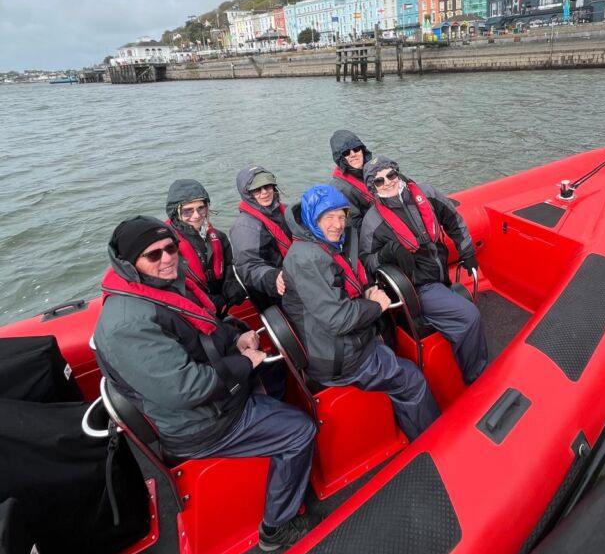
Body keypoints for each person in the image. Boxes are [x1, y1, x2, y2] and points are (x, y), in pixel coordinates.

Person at [94, 216, 316, 552]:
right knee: (300, 430)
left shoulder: (161, 287)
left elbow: (203, 330)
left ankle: (275, 453)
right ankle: (276, 528)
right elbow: (186, 389)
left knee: (275, 374)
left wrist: (236, 339)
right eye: (153, 255)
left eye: (171, 248)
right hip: (201, 424)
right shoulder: (128, 324)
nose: (167, 258)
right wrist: (244, 362)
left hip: (212, 401)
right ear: (128, 264)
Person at [282, 185, 439, 440]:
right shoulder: (308, 259)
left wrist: (365, 294)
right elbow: (338, 319)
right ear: (313, 218)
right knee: (412, 380)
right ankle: (433, 442)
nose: (337, 225)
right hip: (339, 358)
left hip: (338, 344)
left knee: (394, 349)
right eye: (328, 217)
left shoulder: (318, 244)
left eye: (341, 216)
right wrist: (376, 305)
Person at [359, 155, 488, 385]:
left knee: (464, 311)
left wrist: (467, 252)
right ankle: (477, 378)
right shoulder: (372, 222)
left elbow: (453, 219)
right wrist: (388, 252)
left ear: (397, 172)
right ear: (372, 187)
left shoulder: (426, 194)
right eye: (379, 181)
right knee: (469, 317)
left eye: (390, 175)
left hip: (440, 274)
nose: (387, 182)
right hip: (418, 286)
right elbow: (366, 262)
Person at [165, 178, 245, 315]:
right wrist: (208, 300)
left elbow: (229, 265)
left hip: (221, 305)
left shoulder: (219, 237)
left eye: (201, 208)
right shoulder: (167, 247)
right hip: (192, 311)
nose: (196, 216)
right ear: (175, 213)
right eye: (188, 211)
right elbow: (172, 286)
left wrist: (231, 284)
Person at [230, 166, 292, 312]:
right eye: (257, 189)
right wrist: (274, 277)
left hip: (298, 274)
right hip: (277, 292)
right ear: (247, 193)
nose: (264, 192)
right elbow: (248, 267)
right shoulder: (244, 227)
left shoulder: (286, 210)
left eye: (267, 186)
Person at [329, 130, 373, 231]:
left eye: (356, 149)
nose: (353, 154)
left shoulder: (376, 171)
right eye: (346, 152)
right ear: (340, 158)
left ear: (362, 150)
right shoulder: (339, 189)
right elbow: (353, 225)